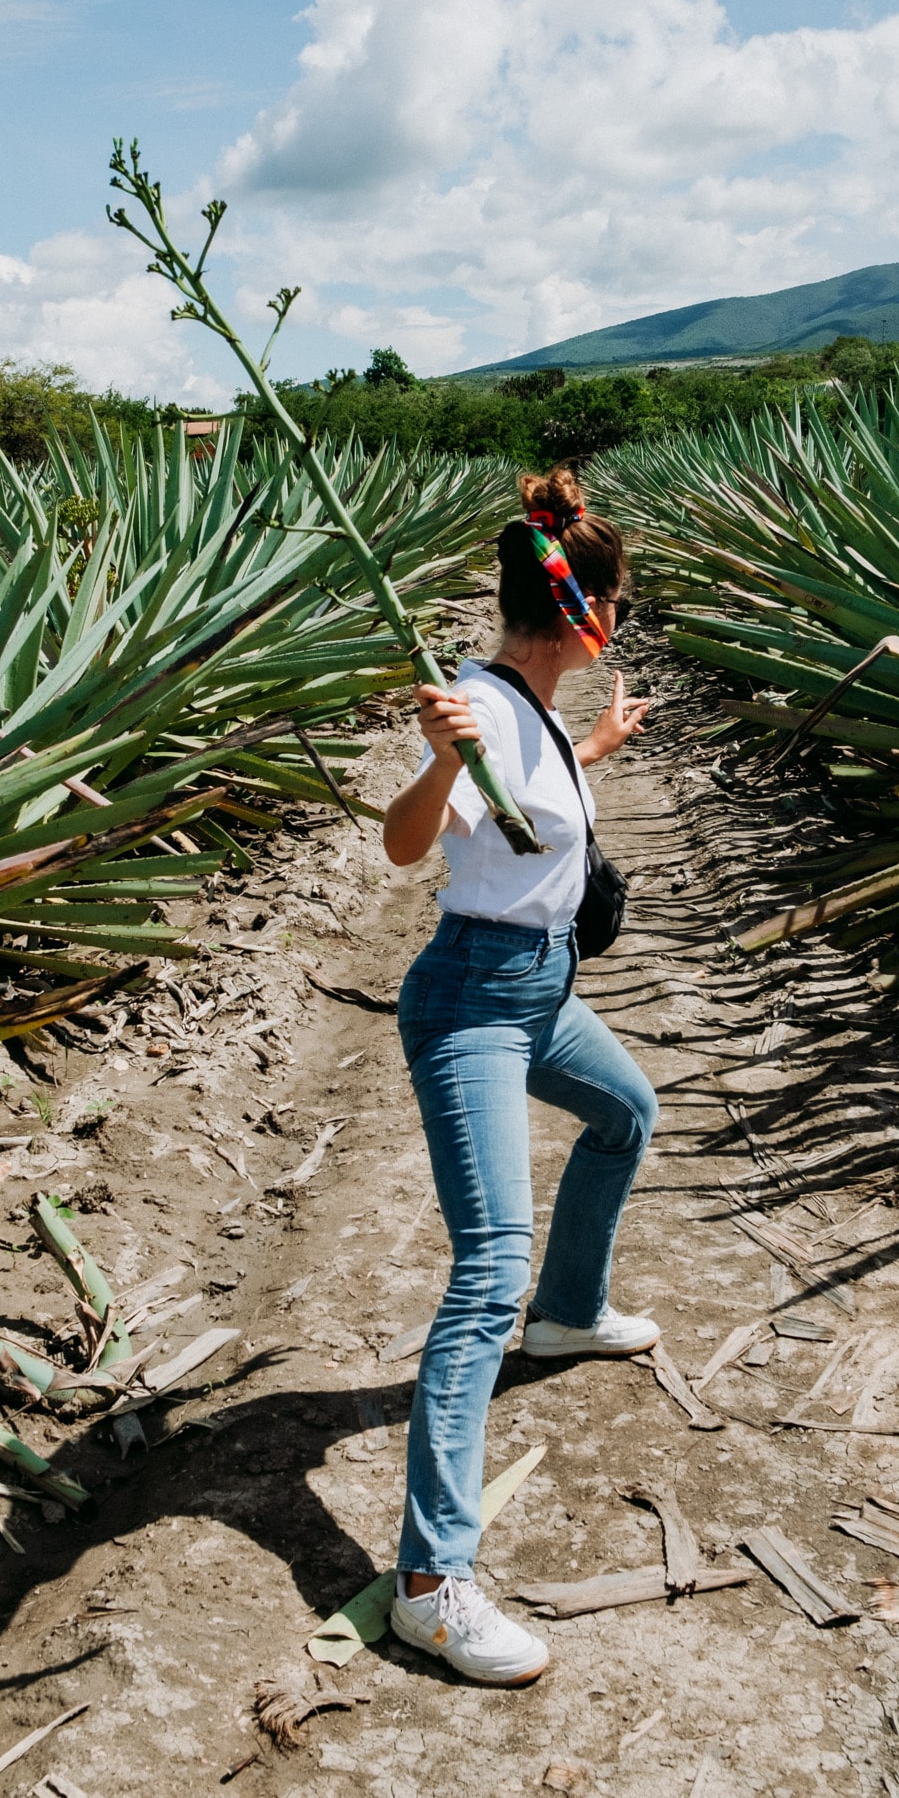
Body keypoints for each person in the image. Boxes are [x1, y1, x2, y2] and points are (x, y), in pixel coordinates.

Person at [381, 464, 659, 1687]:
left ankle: (571, 1313)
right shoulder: (478, 711)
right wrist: (440, 759)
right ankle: (432, 1584)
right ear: (586, 614)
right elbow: (407, 845)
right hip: (471, 1003)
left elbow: (536, 819)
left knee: (626, 1112)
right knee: (483, 1262)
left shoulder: (536, 710)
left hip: (543, 986)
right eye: (620, 609)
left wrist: (597, 742)